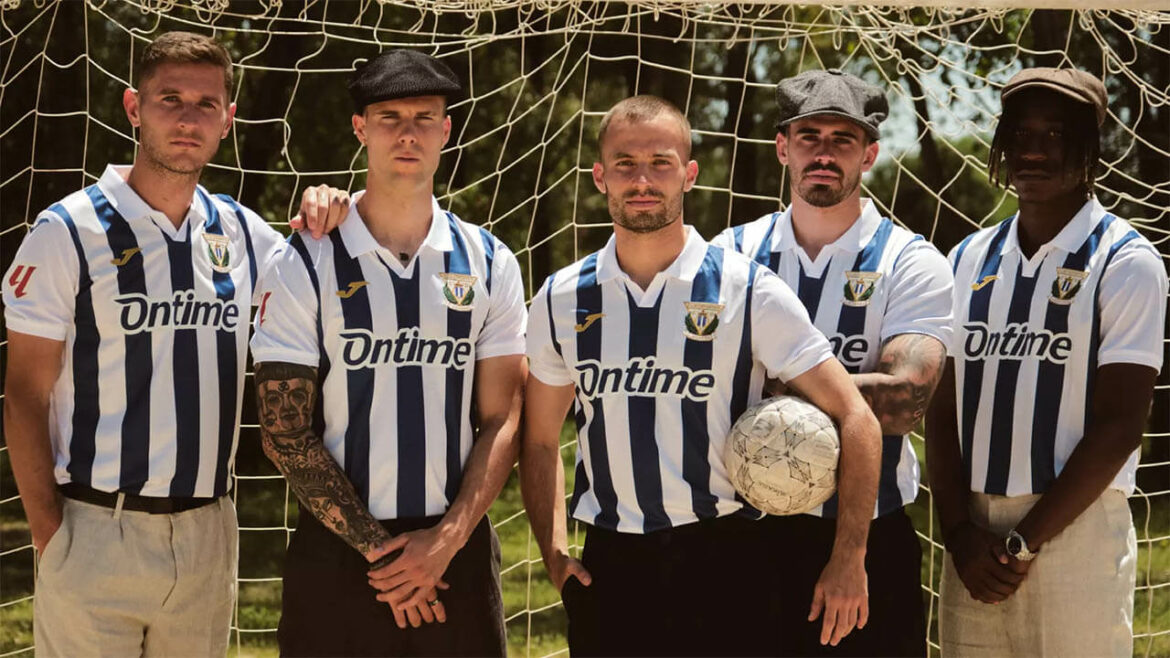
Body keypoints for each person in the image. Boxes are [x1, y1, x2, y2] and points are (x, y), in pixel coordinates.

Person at [2, 31, 348, 656]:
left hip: (206, 531)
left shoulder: (242, 232)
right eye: (170, 99)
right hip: (95, 528)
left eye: (206, 104)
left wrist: (332, 207)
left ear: (228, 120)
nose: (188, 118)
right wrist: (50, 533)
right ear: (134, 108)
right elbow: (24, 392)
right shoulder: (68, 231)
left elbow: (324, 269)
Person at [520, 94, 882, 657]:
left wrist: (849, 556)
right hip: (611, 566)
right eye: (625, 165)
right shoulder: (561, 298)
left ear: (689, 175)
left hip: (727, 557)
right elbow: (541, 439)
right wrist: (553, 551)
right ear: (600, 177)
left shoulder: (749, 290)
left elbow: (856, 416)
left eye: (661, 163)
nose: (643, 180)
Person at [249, 50, 526, 656]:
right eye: (389, 116)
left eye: (425, 116)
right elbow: (284, 432)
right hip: (340, 551)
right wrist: (387, 556)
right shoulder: (303, 259)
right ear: (360, 128)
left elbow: (503, 418)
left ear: (447, 128)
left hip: (457, 548)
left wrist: (444, 542)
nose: (408, 132)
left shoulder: (489, 261)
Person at [926, 67, 1167, 657]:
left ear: (1090, 147)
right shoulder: (966, 258)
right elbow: (942, 408)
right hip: (973, 533)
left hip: (1073, 527)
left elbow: (1119, 428)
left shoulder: (1126, 261)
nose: (1033, 150)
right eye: (1022, 133)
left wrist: (1021, 544)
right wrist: (959, 533)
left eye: (1056, 135)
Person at [712, 69, 953, 657]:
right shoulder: (731, 254)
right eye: (809, 135)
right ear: (782, 147)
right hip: (746, 529)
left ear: (869, 153)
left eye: (842, 139)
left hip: (869, 535)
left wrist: (771, 387)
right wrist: (838, 397)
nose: (824, 152)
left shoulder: (911, 261)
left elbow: (904, 401)